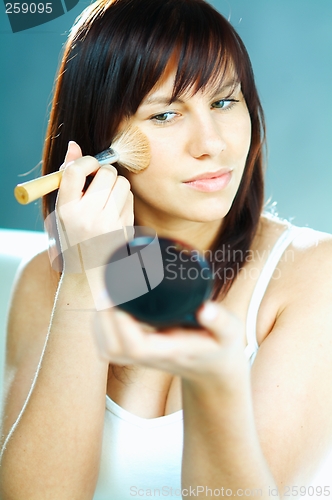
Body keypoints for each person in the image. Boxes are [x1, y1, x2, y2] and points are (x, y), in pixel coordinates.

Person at [1, 0, 332, 498]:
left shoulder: (310, 276)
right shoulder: (43, 281)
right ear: (99, 141)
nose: (212, 143)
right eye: (167, 115)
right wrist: (85, 281)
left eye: (224, 103)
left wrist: (214, 381)